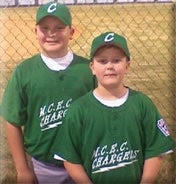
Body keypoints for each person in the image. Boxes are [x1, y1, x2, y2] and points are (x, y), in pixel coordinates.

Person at [52, 31, 176, 184]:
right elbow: (70, 159)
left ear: (127, 65)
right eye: (102, 61)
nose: (109, 66)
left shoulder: (142, 104)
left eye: (116, 60)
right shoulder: (79, 110)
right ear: (92, 67)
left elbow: (155, 151)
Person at [1, 1, 95, 184]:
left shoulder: (87, 69)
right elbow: (12, 120)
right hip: (43, 166)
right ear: (35, 32)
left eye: (59, 28)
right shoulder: (25, 72)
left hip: (85, 163)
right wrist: (22, 169)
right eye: (44, 28)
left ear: (72, 32)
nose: (51, 33)